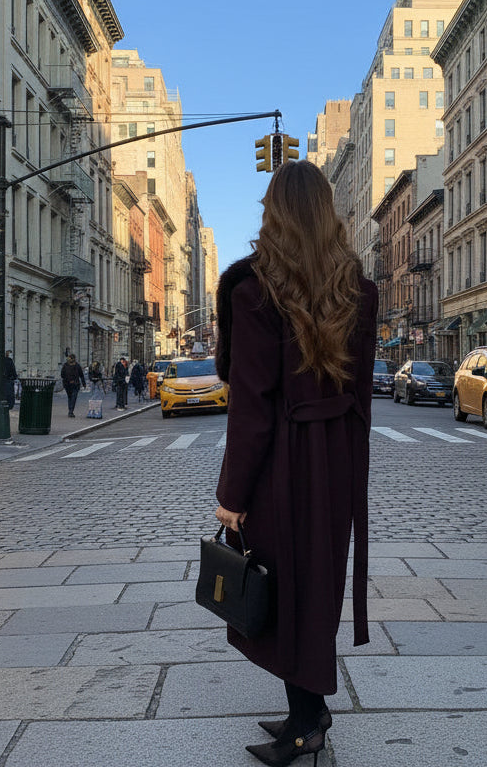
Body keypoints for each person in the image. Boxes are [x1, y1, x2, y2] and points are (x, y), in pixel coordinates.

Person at [213, 161, 377, 767]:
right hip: (334, 455)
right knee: (315, 584)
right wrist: (354, 467)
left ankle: (308, 722)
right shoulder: (358, 286)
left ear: (274, 213)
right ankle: (309, 707)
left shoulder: (255, 291)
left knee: (283, 586)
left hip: (284, 459)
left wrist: (232, 494)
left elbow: (250, 406)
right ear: (328, 212)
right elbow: (361, 394)